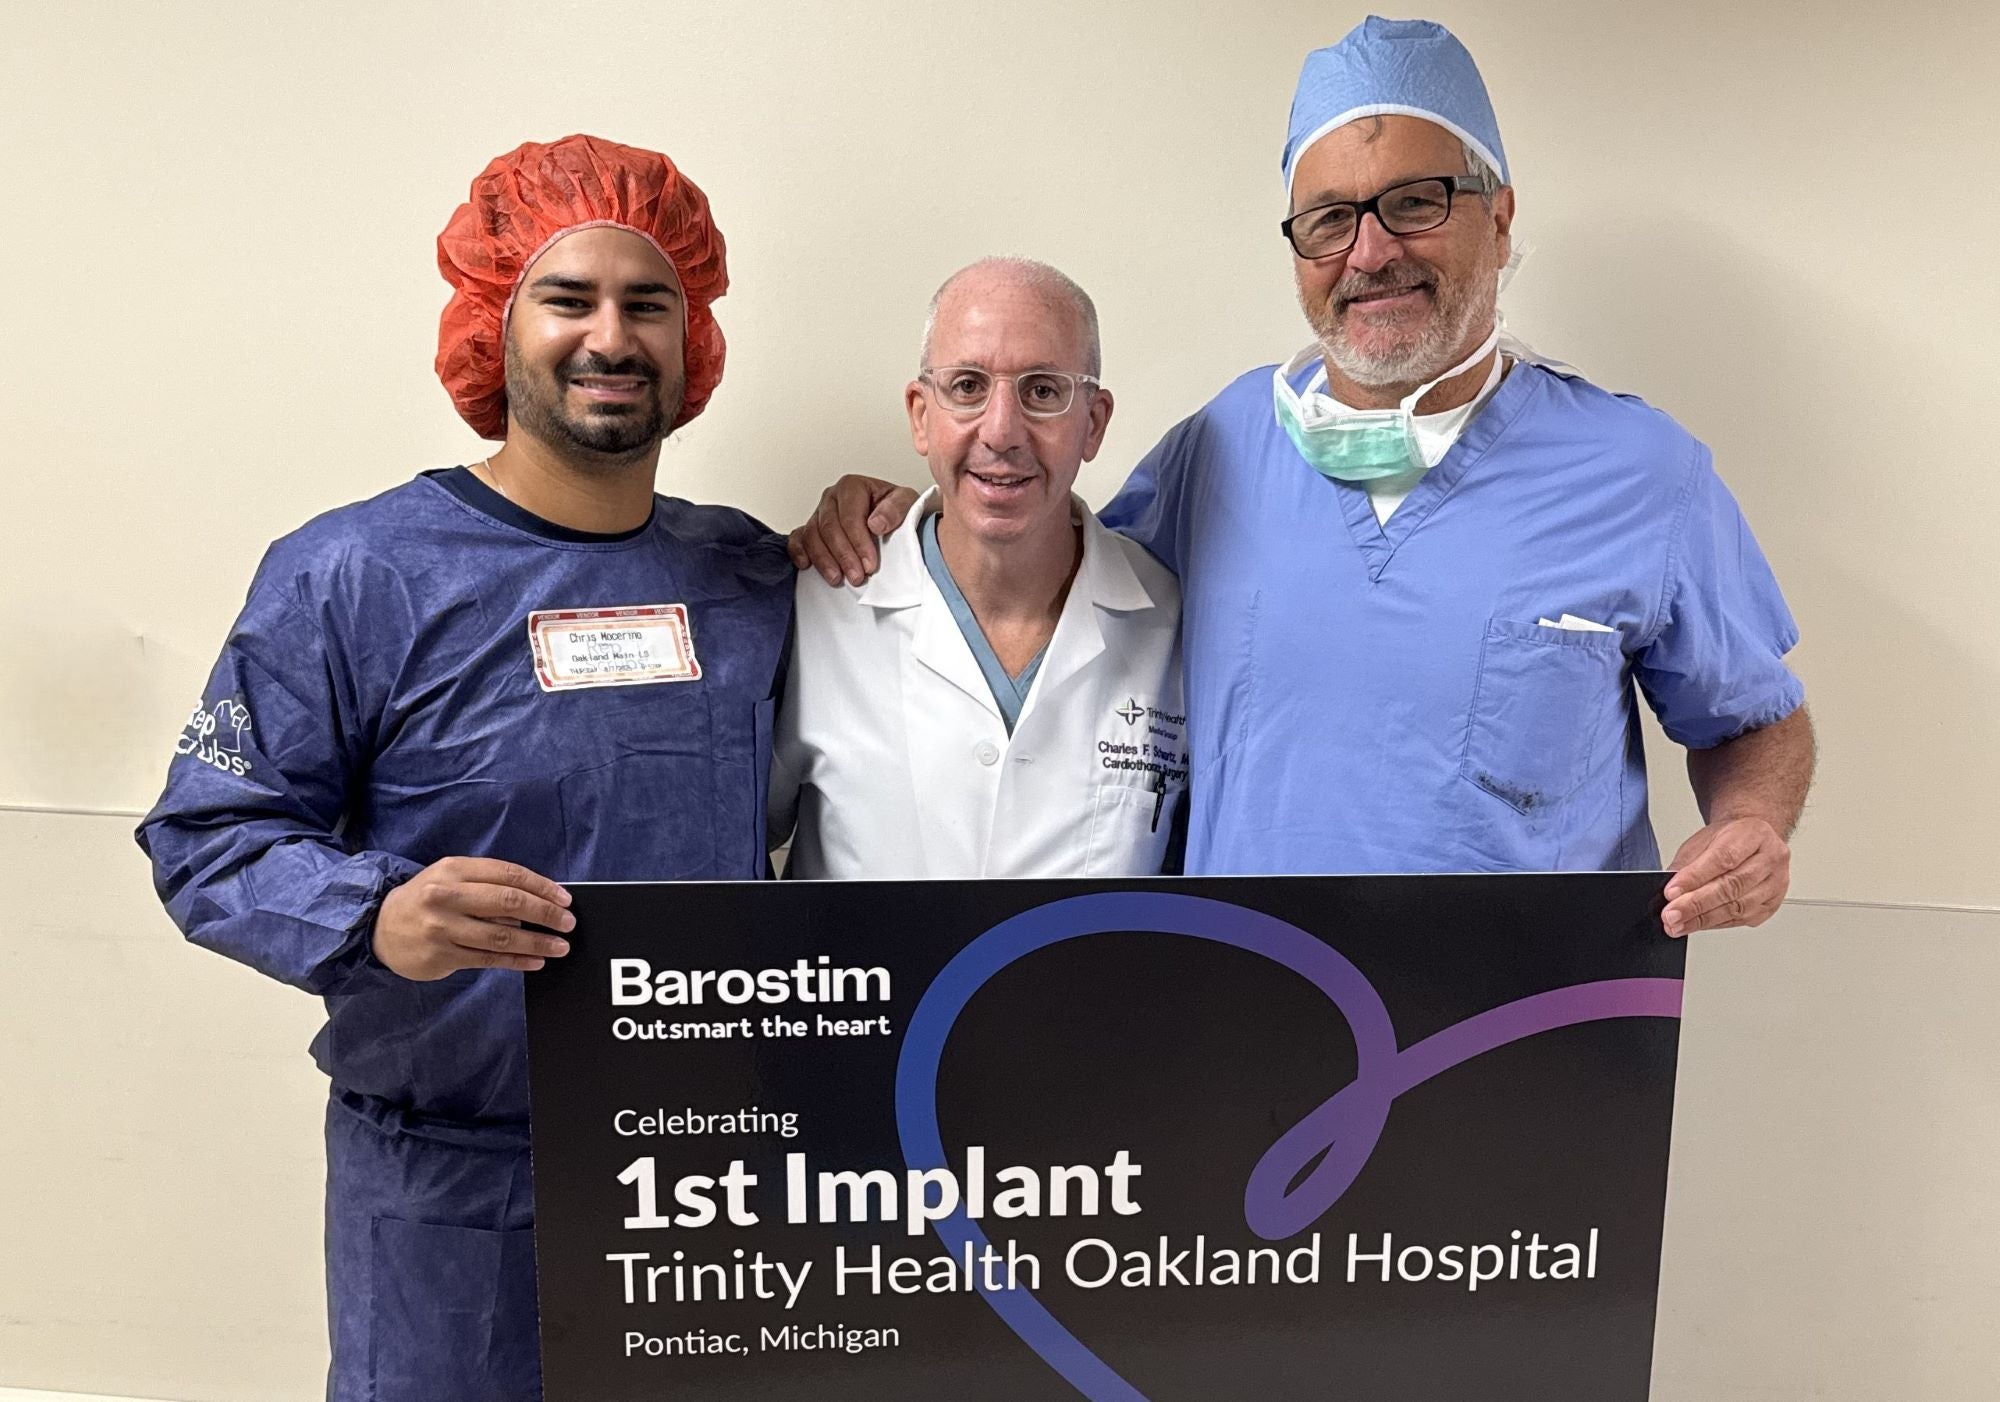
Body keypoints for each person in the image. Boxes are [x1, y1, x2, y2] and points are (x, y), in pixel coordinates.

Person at [788, 17, 1814, 936]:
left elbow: (1755, 719)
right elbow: (1048, 562)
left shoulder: (1640, 475)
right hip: (1246, 1029)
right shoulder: (1221, 450)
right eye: (1328, 219)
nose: (1369, 251)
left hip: (1523, 1031)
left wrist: (1753, 824)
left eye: (1414, 202)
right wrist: (906, 518)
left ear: (1498, 218)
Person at [136, 134, 792, 1400]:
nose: (610, 336)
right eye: (567, 298)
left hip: (702, 1187)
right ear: (495, 323)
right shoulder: (354, 575)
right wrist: (373, 914)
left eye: (648, 303)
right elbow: (205, 836)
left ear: (694, 337)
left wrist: (881, 521)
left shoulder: (749, 576)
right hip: (449, 1198)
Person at [770, 257, 1185, 877]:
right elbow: (729, 841)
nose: (1001, 431)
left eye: (1043, 391)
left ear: (1093, 424)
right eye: (967, 386)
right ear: (921, 415)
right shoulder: (815, 607)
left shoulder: (1172, 622)